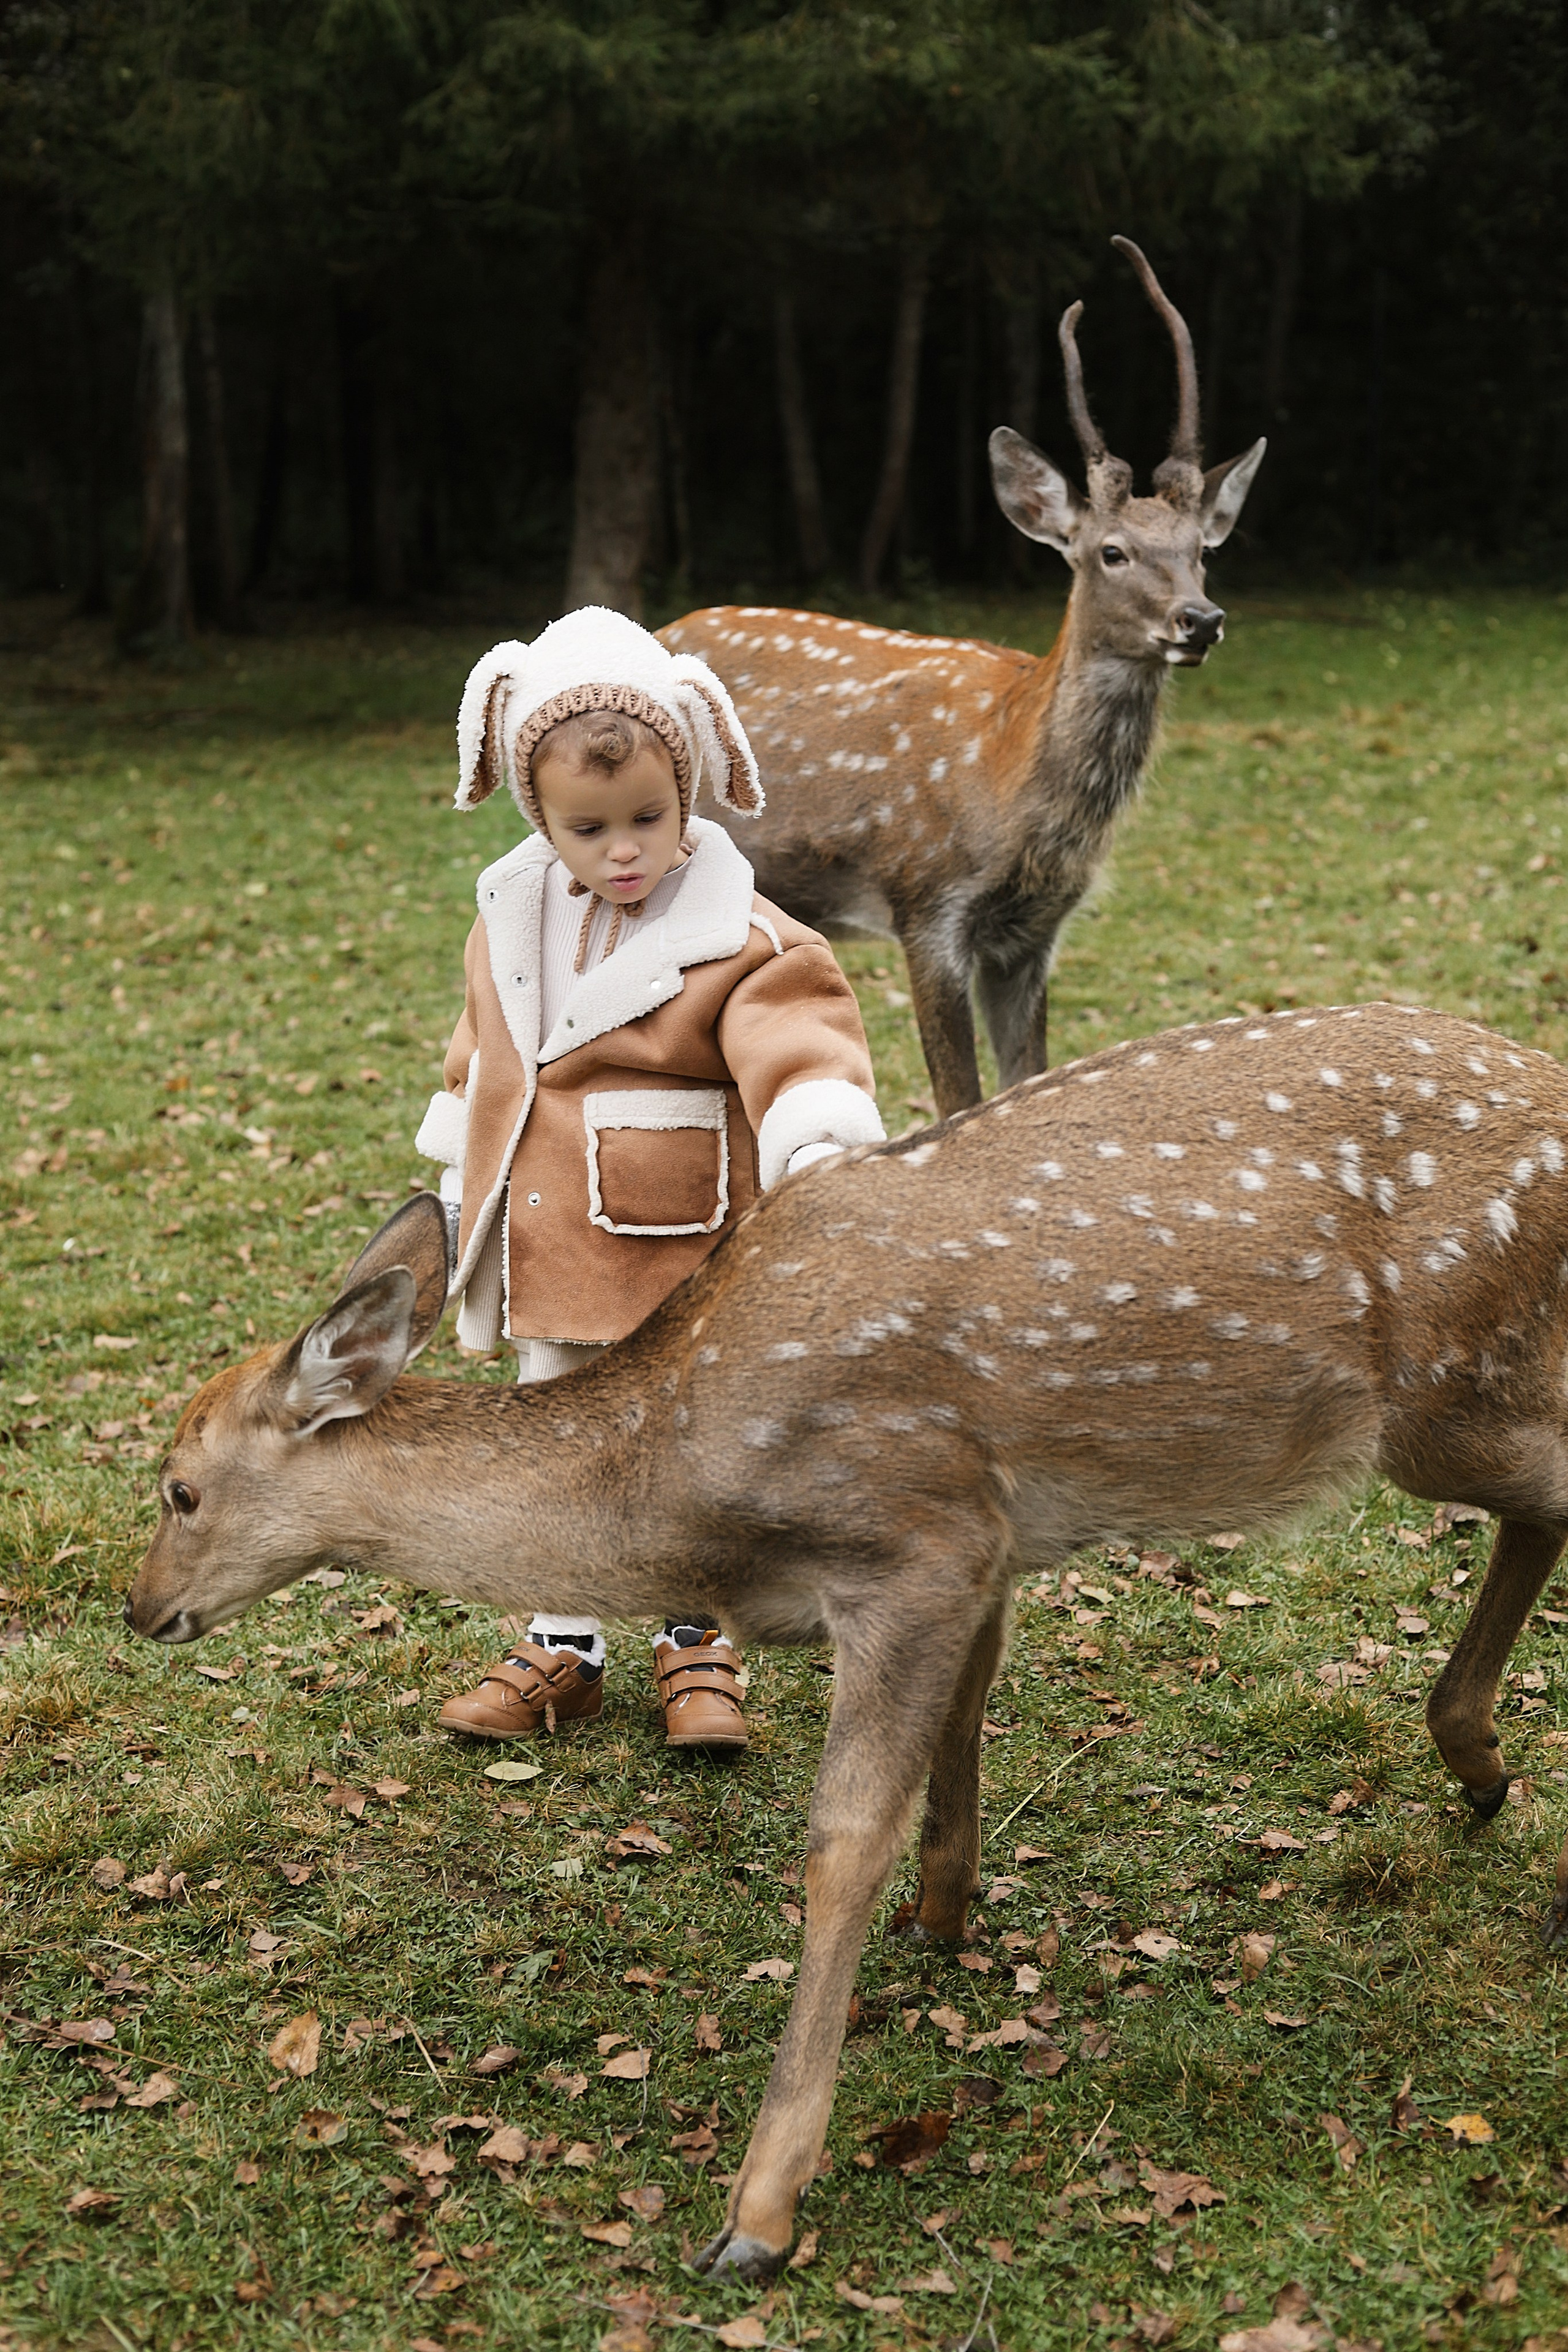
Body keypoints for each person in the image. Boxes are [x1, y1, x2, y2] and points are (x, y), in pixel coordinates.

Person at [416, 606, 886, 1750]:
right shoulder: (509, 920)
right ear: (543, 817)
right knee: (554, 1431)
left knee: (685, 1443)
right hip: (546, 1232)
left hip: (684, 1241)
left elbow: (802, 1048)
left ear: (689, 791)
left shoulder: (744, 940)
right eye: (588, 828)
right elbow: (481, 1059)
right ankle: (562, 1642)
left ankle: (696, 1635)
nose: (622, 849)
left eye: (647, 819)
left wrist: (819, 1144)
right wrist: (448, 1183)